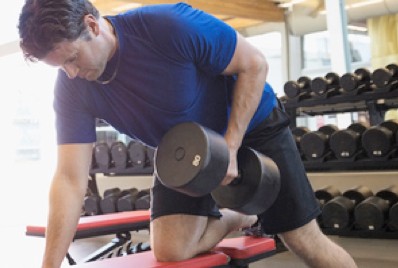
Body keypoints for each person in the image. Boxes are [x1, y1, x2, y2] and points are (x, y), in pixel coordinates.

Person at [18, 1, 357, 268]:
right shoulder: (72, 88)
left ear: (92, 25)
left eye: (73, 58)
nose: (72, 73)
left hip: (251, 125)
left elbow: (254, 64)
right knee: (170, 250)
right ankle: (239, 215)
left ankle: (265, 215)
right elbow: (69, 179)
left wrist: (231, 145)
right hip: (182, 147)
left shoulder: (168, 26)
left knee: (302, 239)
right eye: (61, 67)